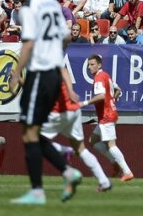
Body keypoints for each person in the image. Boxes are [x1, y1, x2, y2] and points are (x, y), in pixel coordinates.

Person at [7, 0, 80, 206]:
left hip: (39, 74)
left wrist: (16, 72)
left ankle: (38, 191)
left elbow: (28, 43)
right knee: (32, 131)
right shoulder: (52, 4)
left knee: (29, 131)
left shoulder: (29, 8)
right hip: (52, 74)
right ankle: (67, 171)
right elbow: (66, 37)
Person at [39, 64, 110, 194]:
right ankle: (104, 181)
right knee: (81, 150)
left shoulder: (43, 64)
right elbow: (63, 71)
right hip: (74, 110)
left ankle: (65, 151)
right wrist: (70, 91)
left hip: (60, 112)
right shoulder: (50, 65)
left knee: (34, 140)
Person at [84, 54, 134, 184]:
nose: (90, 67)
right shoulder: (105, 75)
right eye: (89, 65)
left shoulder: (100, 77)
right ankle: (115, 163)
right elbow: (118, 89)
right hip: (107, 114)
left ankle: (127, 171)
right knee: (93, 141)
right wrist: (112, 101)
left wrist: (85, 103)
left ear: (99, 65)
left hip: (106, 116)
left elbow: (101, 96)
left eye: (92, 64)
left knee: (111, 145)